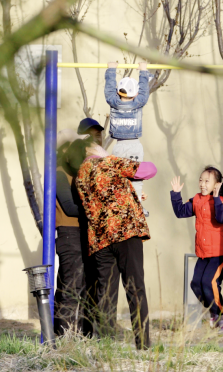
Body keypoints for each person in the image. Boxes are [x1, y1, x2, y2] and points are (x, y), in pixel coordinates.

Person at [74, 137, 157, 350]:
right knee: (135, 288)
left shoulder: (80, 176)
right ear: (93, 149)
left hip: (100, 239)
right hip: (125, 232)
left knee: (106, 293)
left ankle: (105, 346)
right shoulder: (111, 162)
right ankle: (143, 345)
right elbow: (150, 169)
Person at [169, 166, 223, 333]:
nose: (202, 184)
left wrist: (215, 197)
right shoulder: (197, 199)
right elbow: (180, 212)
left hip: (221, 251)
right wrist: (176, 194)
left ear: (217, 185)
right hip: (204, 251)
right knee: (196, 285)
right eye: (200, 180)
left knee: (210, 283)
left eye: (207, 181)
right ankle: (215, 313)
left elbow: (221, 218)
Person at [53, 129, 89, 336]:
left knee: (80, 287)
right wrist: (96, 209)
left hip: (82, 234)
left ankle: (74, 335)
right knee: (70, 287)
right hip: (69, 234)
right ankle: (61, 336)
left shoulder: (80, 175)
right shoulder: (60, 173)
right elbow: (68, 206)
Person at [105, 61, 151, 217]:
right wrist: (143, 71)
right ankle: (137, 207)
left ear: (118, 92)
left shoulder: (113, 101)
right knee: (135, 178)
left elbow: (108, 90)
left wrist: (111, 69)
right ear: (135, 94)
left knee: (118, 178)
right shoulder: (138, 102)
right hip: (134, 145)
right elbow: (145, 92)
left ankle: (119, 206)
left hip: (118, 146)